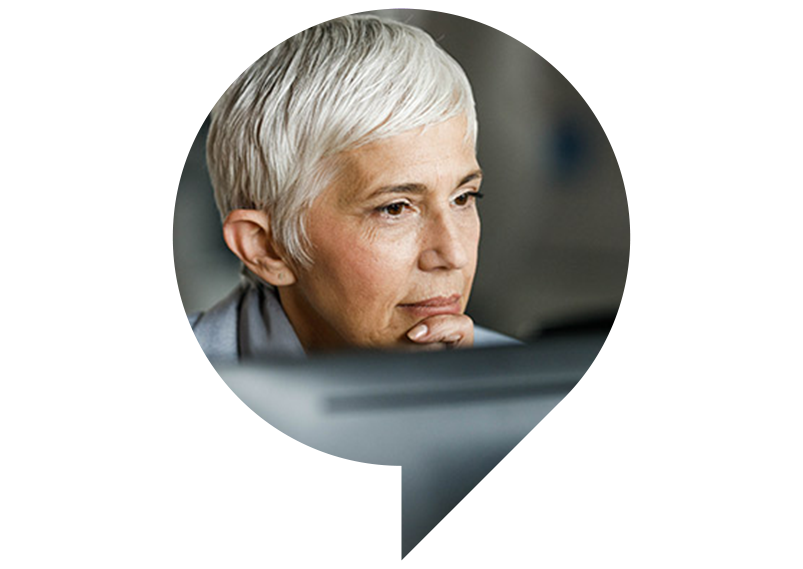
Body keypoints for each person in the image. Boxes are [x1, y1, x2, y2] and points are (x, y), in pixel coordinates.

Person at [172, 12, 521, 555]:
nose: (453, 253)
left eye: (463, 197)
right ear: (266, 248)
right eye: (395, 208)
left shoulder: (525, 391)